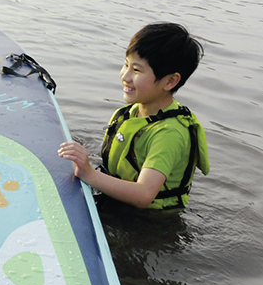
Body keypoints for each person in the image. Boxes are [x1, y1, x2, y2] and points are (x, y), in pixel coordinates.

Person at [58, 23, 210, 210]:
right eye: (126, 64)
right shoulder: (129, 113)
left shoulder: (169, 134)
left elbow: (144, 194)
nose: (125, 76)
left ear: (170, 81)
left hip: (148, 224)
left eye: (136, 70)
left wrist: (89, 173)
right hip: (116, 204)